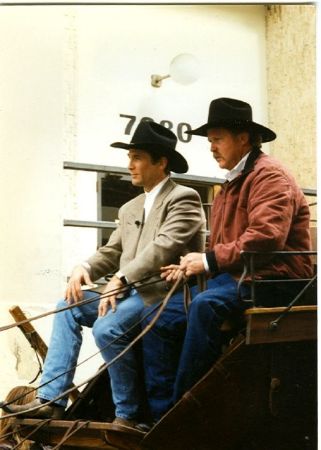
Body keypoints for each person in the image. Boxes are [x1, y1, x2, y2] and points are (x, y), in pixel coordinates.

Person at [0, 121, 206, 428]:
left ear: (160, 162)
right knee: (65, 307)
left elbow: (164, 248)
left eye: (137, 157)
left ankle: (127, 413)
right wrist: (83, 268)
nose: (130, 165)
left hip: (161, 295)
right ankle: (51, 401)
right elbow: (111, 251)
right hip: (130, 294)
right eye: (130, 157)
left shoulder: (183, 198)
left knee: (106, 328)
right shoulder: (130, 207)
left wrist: (120, 278)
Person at [142, 97, 313, 422]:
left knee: (205, 306)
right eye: (210, 141)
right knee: (158, 317)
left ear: (243, 138)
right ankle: (156, 413)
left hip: (274, 280)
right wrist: (189, 265)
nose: (211, 147)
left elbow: (266, 237)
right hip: (238, 276)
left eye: (217, 139)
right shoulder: (233, 182)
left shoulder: (270, 177)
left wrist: (206, 261)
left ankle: (181, 417)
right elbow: (222, 244)